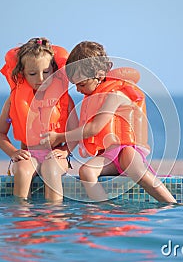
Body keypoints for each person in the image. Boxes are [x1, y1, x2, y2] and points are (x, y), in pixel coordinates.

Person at [42, 41, 176, 203]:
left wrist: (59, 137)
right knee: (86, 172)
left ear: (99, 75)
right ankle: (105, 211)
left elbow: (94, 128)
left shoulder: (115, 94)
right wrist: (65, 150)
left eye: (82, 84)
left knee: (135, 168)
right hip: (110, 156)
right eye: (75, 85)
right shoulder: (95, 96)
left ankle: (171, 204)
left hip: (127, 150)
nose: (78, 89)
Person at [0, 37, 78, 202]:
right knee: (23, 172)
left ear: (54, 70)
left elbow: (76, 133)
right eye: (33, 73)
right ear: (22, 74)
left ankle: (54, 217)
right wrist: (13, 152)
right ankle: (24, 219)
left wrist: (66, 150)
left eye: (46, 72)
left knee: (51, 170)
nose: (41, 78)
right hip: (28, 155)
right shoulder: (14, 99)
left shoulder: (64, 99)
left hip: (55, 156)